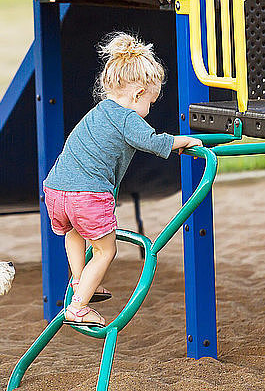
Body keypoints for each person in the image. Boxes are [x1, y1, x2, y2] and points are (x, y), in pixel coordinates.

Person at [42, 32, 202, 326]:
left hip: (55, 189)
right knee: (106, 249)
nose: (148, 110)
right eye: (150, 103)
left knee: (74, 233)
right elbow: (153, 142)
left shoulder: (99, 111)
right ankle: (78, 308)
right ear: (138, 94)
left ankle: (80, 281)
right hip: (87, 195)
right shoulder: (129, 118)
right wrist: (186, 141)